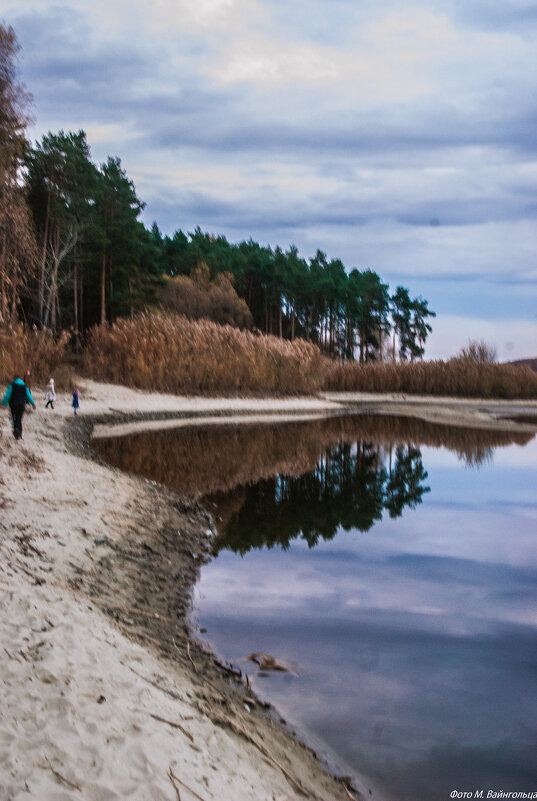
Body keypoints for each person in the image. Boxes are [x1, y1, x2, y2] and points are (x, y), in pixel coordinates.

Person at [2, 374, 36, 440]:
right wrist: (33, 403)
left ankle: (16, 430)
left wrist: (3, 403)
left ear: (14, 378)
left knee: (14, 418)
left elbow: (7, 396)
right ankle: (19, 434)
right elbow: (28, 396)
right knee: (19, 419)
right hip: (21, 406)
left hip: (13, 405)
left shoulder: (12, 385)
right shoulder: (24, 386)